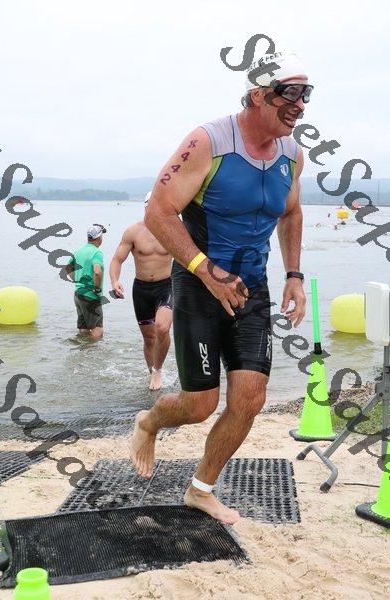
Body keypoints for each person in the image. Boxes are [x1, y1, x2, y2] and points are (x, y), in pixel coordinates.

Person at [130, 50, 308, 524]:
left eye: (306, 94)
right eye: (291, 93)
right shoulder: (208, 141)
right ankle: (148, 421)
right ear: (259, 94)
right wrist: (206, 270)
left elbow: (291, 212)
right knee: (199, 405)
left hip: (251, 288)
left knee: (250, 398)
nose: (300, 104)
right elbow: (158, 212)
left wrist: (294, 274)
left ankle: (201, 488)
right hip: (198, 283)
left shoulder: (293, 153)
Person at [109, 193, 173, 390]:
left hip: (166, 286)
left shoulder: (173, 231)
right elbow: (117, 260)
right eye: (150, 206)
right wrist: (115, 281)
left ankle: (158, 371)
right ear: (145, 207)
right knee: (149, 339)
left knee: (162, 328)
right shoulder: (133, 232)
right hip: (142, 289)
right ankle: (151, 372)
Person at [67, 224, 106, 341]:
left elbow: (68, 268)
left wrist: (77, 280)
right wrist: (97, 288)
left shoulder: (79, 251)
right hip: (90, 296)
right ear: (99, 237)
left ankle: (84, 349)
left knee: (84, 329)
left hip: (78, 294)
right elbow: (97, 272)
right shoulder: (96, 253)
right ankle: (93, 351)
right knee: (97, 330)